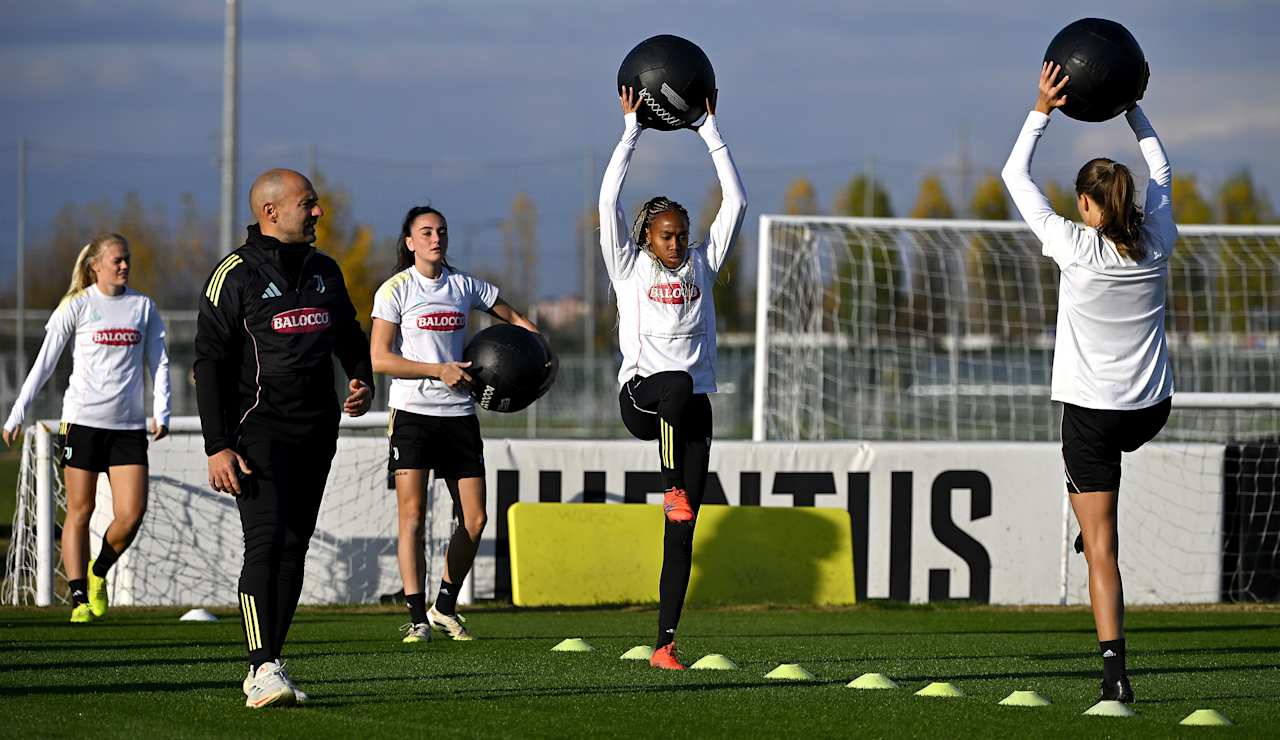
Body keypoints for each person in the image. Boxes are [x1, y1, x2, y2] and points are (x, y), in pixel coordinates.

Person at [1002, 62, 1176, 704]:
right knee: (1098, 516)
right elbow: (1161, 172)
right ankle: (1090, 507)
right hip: (1151, 411)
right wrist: (1132, 104)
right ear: (1131, 202)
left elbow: (1013, 176)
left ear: (1084, 204)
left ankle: (1115, 676)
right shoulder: (1158, 238)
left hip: (1093, 417)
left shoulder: (1073, 246)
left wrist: (1041, 108)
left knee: (1101, 546)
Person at [194, 168, 374, 709]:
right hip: (256, 434)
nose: (318, 212)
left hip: (318, 432)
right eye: (309, 204)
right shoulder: (234, 273)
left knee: (294, 549)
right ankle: (260, 665)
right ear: (271, 211)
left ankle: (271, 659)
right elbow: (207, 362)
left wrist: (362, 377)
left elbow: (349, 335)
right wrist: (216, 444)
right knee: (265, 543)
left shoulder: (325, 270)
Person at [599, 86, 747, 670]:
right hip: (642, 398)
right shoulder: (629, 268)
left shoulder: (703, 265)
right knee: (676, 385)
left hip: (692, 410)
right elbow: (608, 197)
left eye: (682, 233)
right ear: (646, 238)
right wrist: (631, 128)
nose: (678, 241)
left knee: (682, 534)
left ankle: (665, 642)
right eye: (667, 234)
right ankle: (671, 486)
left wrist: (708, 129)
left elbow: (736, 199)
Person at [370, 205, 545, 644]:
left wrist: (536, 346)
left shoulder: (464, 284)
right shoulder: (395, 290)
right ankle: (415, 619)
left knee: (476, 517)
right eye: (426, 232)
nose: (435, 238)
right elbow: (380, 358)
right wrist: (436, 370)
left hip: (459, 415)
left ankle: (444, 606)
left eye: (441, 231)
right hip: (412, 414)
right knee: (412, 517)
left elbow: (514, 318)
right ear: (409, 242)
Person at [3, 232, 170, 624]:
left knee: (132, 513)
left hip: (128, 427)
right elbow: (44, 363)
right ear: (95, 265)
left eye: (127, 259)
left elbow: (159, 362)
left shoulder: (142, 307)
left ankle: (98, 571)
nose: (125, 265)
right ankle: (78, 597)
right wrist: (17, 412)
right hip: (82, 423)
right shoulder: (77, 306)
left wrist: (162, 410)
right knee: (81, 509)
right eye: (117, 260)